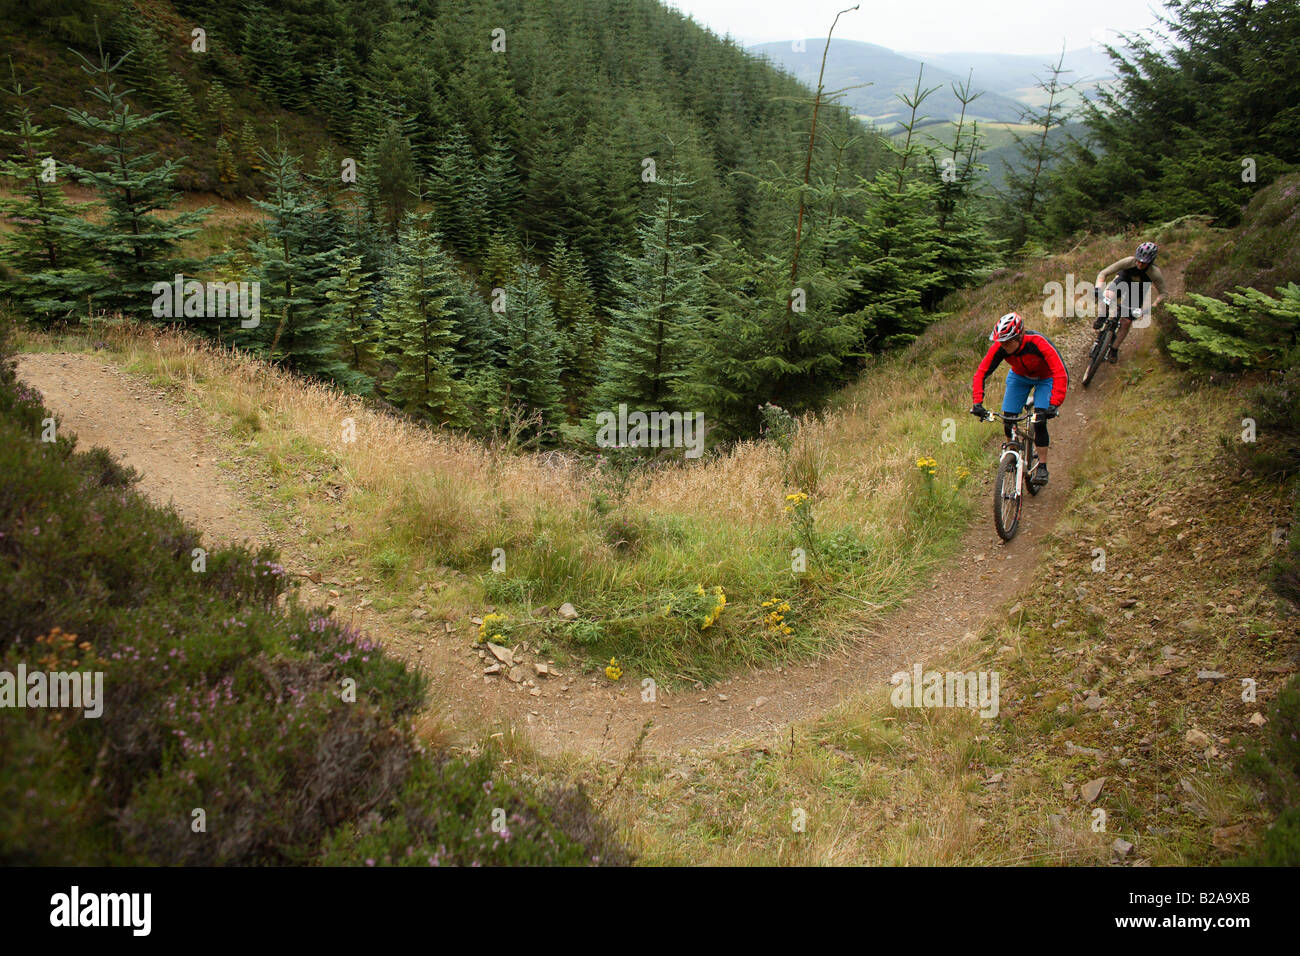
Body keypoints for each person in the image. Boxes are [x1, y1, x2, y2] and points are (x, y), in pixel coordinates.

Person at [970, 311, 1069, 486]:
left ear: (1020, 336)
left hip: (1046, 378)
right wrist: (977, 403)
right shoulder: (1000, 347)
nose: (1004, 346)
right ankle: (1012, 454)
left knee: (1039, 420)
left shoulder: (1038, 343)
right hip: (1019, 377)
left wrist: (1054, 403)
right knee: (1008, 418)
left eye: (1008, 342)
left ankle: (1043, 466)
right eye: (1001, 342)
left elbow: (1060, 371)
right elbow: (981, 373)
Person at [1093, 241, 1168, 364]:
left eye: (1143, 263)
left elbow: (1164, 293)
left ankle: (1114, 349)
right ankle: (1102, 316)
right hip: (1122, 280)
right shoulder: (1129, 261)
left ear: (1151, 261)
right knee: (1107, 296)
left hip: (1137, 291)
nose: (1139, 264)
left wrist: (1152, 307)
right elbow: (1103, 273)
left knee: (1126, 321)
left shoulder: (1155, 272)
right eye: (1138, 260)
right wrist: (1098, 288)